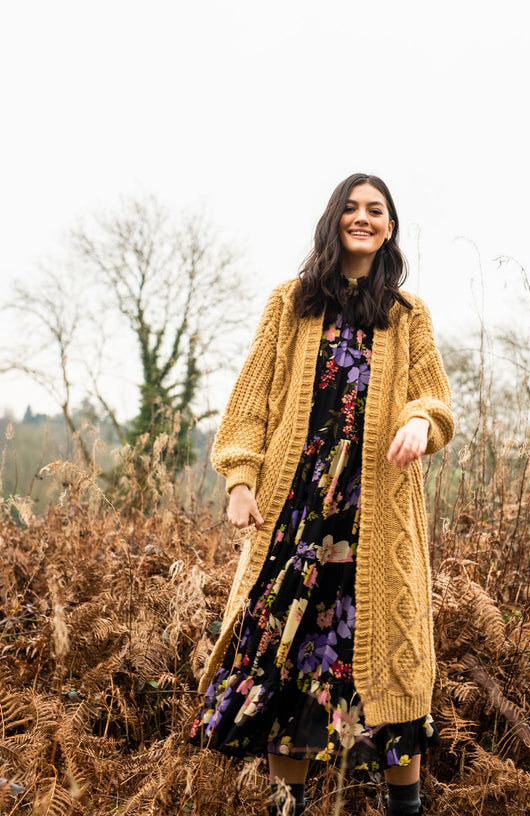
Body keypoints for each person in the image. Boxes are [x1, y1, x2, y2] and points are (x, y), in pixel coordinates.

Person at [188, 173, 454, 816]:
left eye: (376, 210)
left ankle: (406, 809)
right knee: (289, 668)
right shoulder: (292, 302)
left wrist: (420, 420)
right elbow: (249, 404)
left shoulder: (407, 313)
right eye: (352, 208)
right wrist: (240, 480)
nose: (363, 218)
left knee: (394, 666)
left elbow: (436, 398)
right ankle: (290, 805)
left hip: (378, 522)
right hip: (297, 519)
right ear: (334, 218)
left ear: (390, 226)